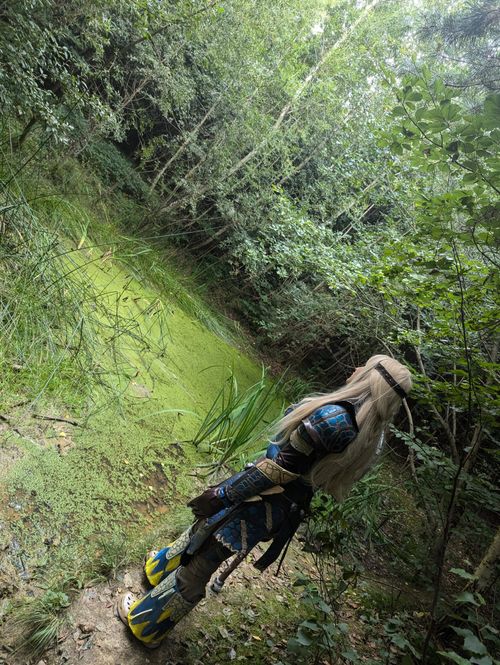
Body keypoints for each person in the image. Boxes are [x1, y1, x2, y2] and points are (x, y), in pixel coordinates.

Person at [116, 354, 412, 649]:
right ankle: (158, 570)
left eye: (364, 367)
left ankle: (146, 625)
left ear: (370, 380)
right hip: (280, 506)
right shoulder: (372, 438)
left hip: (261, 498)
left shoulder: (333, 420)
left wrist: (223, 495)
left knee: (205, 558)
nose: (356, 368)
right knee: (204, 530)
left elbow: (278, 470)